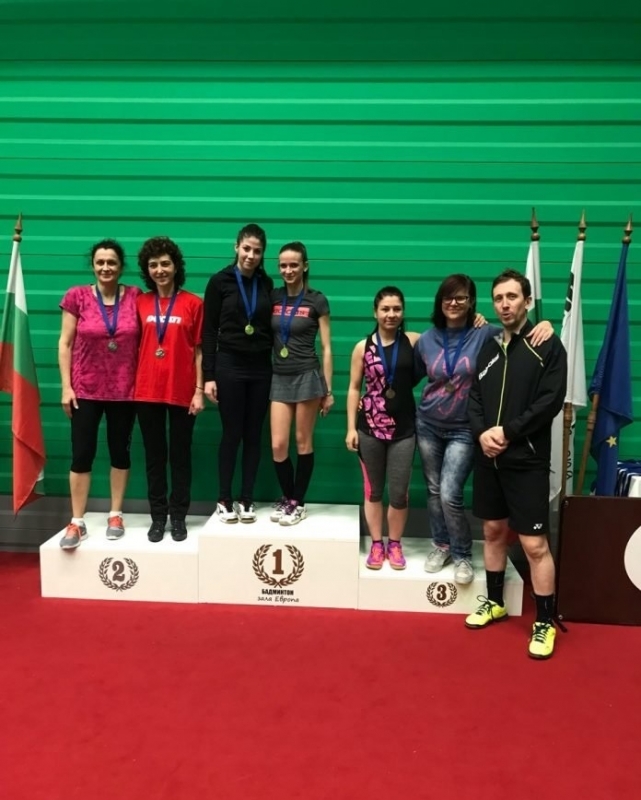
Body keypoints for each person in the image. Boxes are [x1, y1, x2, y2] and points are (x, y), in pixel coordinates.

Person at [414, 274, 553, 585]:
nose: (453, 302)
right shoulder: (426, 339)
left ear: (471, 302)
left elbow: (519, 332)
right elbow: (412, 369)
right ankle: (441, 545)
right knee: (434, 491)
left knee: (449, 493)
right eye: (448, 297)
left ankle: (462, 553)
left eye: (461, 297)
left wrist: (547, 324)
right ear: (439, 301)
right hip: (428, 425)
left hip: (465, 429)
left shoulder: (486, 333)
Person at [465, 269, 567, 660]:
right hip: (489, 457)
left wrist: (507, 432)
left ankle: (544, 621)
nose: (505, 304)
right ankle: (495, 602)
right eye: (499, 298)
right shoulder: (489, 348)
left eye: (512, 297)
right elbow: (475, 398)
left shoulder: (547, 344)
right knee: (492, 531)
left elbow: (550, 401)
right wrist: (482, 434)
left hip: (526, 459)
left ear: (527, 300)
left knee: (534, 544)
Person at [58, 239, 141, 550]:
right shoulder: (76, 296)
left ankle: (115, 515)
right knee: (82, 454)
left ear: (121, 266)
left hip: (125, 390)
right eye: (100, 262)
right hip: (85, 389)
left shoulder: (135, 296)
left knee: (120, 452)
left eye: (112, 262)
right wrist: (66, 386)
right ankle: (77, 521)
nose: (106, 267)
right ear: (93, 265)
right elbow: (65, 343)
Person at [134, 236, 204, 542]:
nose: (160, 270)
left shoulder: (193, 303)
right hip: (146, 390)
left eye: (165, 263)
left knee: (180, 456)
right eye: (153, 265)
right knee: (154, 457)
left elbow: (200, 351)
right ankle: (158, 517)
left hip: (182, 391)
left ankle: (178, 517)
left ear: (176, 267)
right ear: (147, 270)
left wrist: (199, 390)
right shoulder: (139, 302)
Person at [202, 224, 274, 523]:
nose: (251, 255)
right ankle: (224, 498)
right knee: (232, 433)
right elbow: (208, 330)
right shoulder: (219, 282)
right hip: (229, 365)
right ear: (236, 247)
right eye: (246, 248)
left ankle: (246, 498)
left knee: (254, 434)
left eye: (257, 251)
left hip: (260, 367)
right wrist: (208, 375)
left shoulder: (266, 283)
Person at [346, 287, 420, 570]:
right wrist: (350, 428)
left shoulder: (414, 341)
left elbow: (446, 339)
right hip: (369, 430)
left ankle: (395, 544)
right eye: (385, 309)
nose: (391, 314)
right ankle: (377, 544)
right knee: (374, 491)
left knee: (399, 492)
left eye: (396, 309)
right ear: (375, 312)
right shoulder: (362, 348)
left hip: (404, 431)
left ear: (403, 312)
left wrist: (475, 320)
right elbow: (354, 388)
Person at [269, 242, 333, 526]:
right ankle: (288, 497)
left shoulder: (317, 300)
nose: (288, 270)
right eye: (283, 265)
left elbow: (327, 348)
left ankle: (298, 502)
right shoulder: (273, 297)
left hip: (308, 376)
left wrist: (328, 390)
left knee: (302, 441)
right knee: (278, 444)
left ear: (305, 266)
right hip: (279, 376)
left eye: (294, 265)